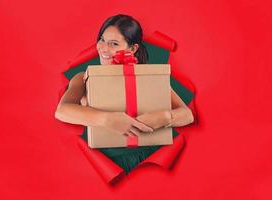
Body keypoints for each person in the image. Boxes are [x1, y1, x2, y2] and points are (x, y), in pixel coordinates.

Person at [55, 14, 194, 172]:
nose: (103, 48)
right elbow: (62, 111)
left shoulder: (148, 76)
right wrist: (108, 119)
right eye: (102, 39)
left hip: (149, 160)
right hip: (104, 163)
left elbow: (187, 115)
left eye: (113, 43)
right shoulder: (84, 78)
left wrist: (163, 117)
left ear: (133, 48)